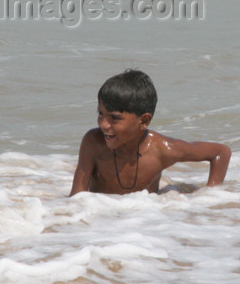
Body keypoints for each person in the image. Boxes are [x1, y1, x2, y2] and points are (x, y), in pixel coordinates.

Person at [70, 69, 231, 195]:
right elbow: (77, 198)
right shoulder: (93, 143)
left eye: (114, 118)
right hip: (105, 221)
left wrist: (210, 197)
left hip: (148, 222)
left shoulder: (162, 149)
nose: (104, 124)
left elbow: (220, 152)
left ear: (144, 121)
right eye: (100, 114)